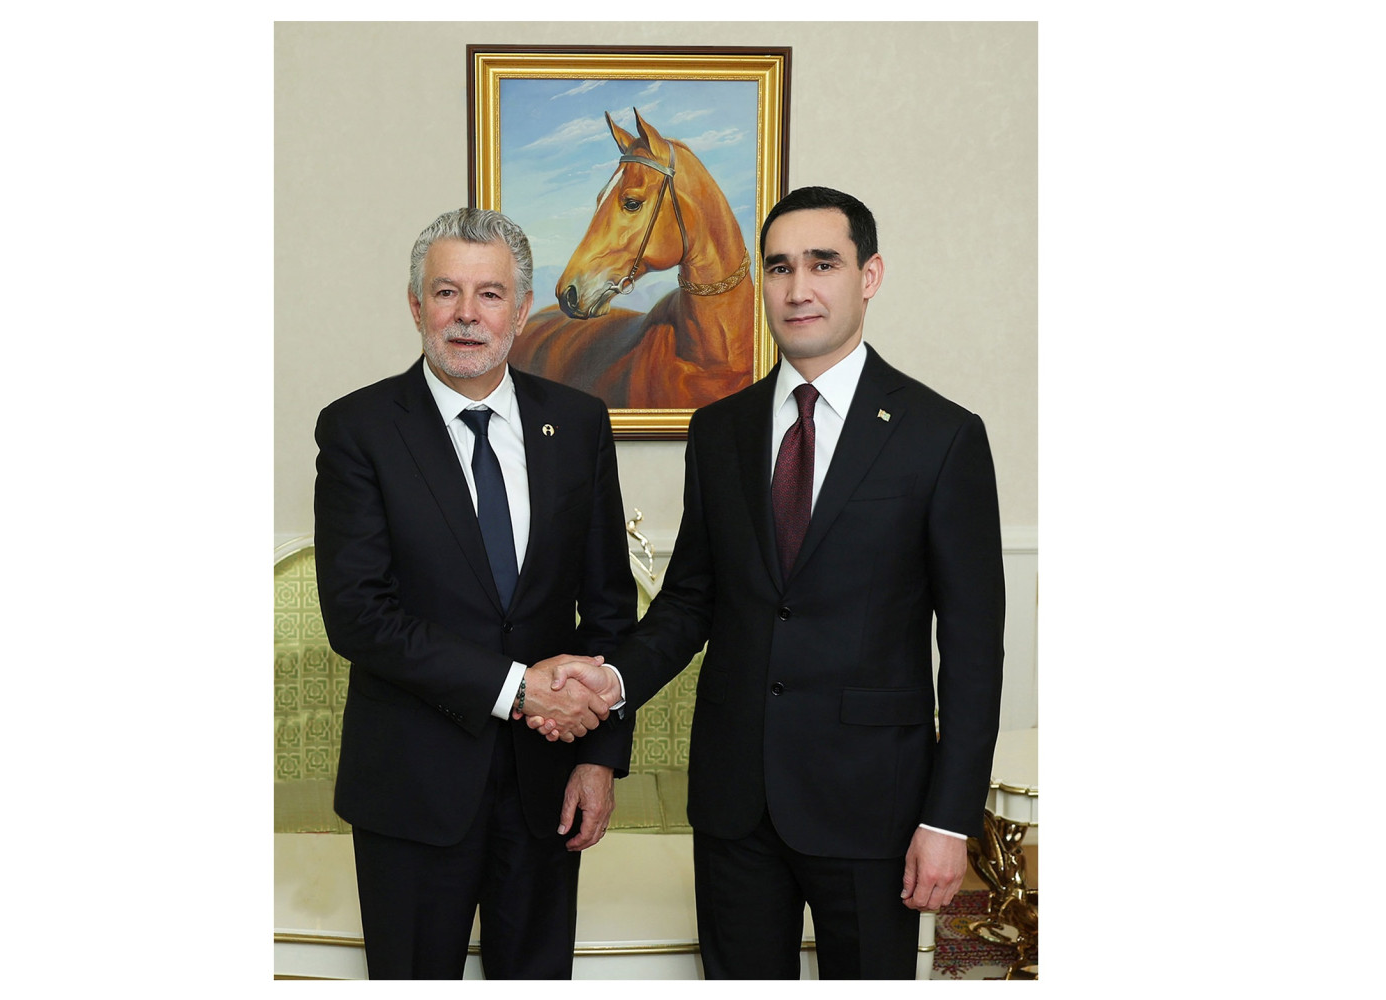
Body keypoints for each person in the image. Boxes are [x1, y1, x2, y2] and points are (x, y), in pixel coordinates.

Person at [535, 186, 1006, 979]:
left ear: (869, 276)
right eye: (780, 267)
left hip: (874, 806)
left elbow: (972, 652)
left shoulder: (942, 436)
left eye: (823, 264)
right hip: (736, 803)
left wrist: (950, 820)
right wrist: (611, 682)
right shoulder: (721, 429)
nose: (798, 288)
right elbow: (690, 601)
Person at [313, 207, 638, 979]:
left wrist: (599, 759)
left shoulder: (579, 424)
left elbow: (609, 607)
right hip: (412, 790)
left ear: (521, 310)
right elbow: (359, 615)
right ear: (415, 305)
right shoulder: (358, 429)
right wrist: (517, 689)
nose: (467, 314)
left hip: (547, 786)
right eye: (446, 292)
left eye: (489, 294)